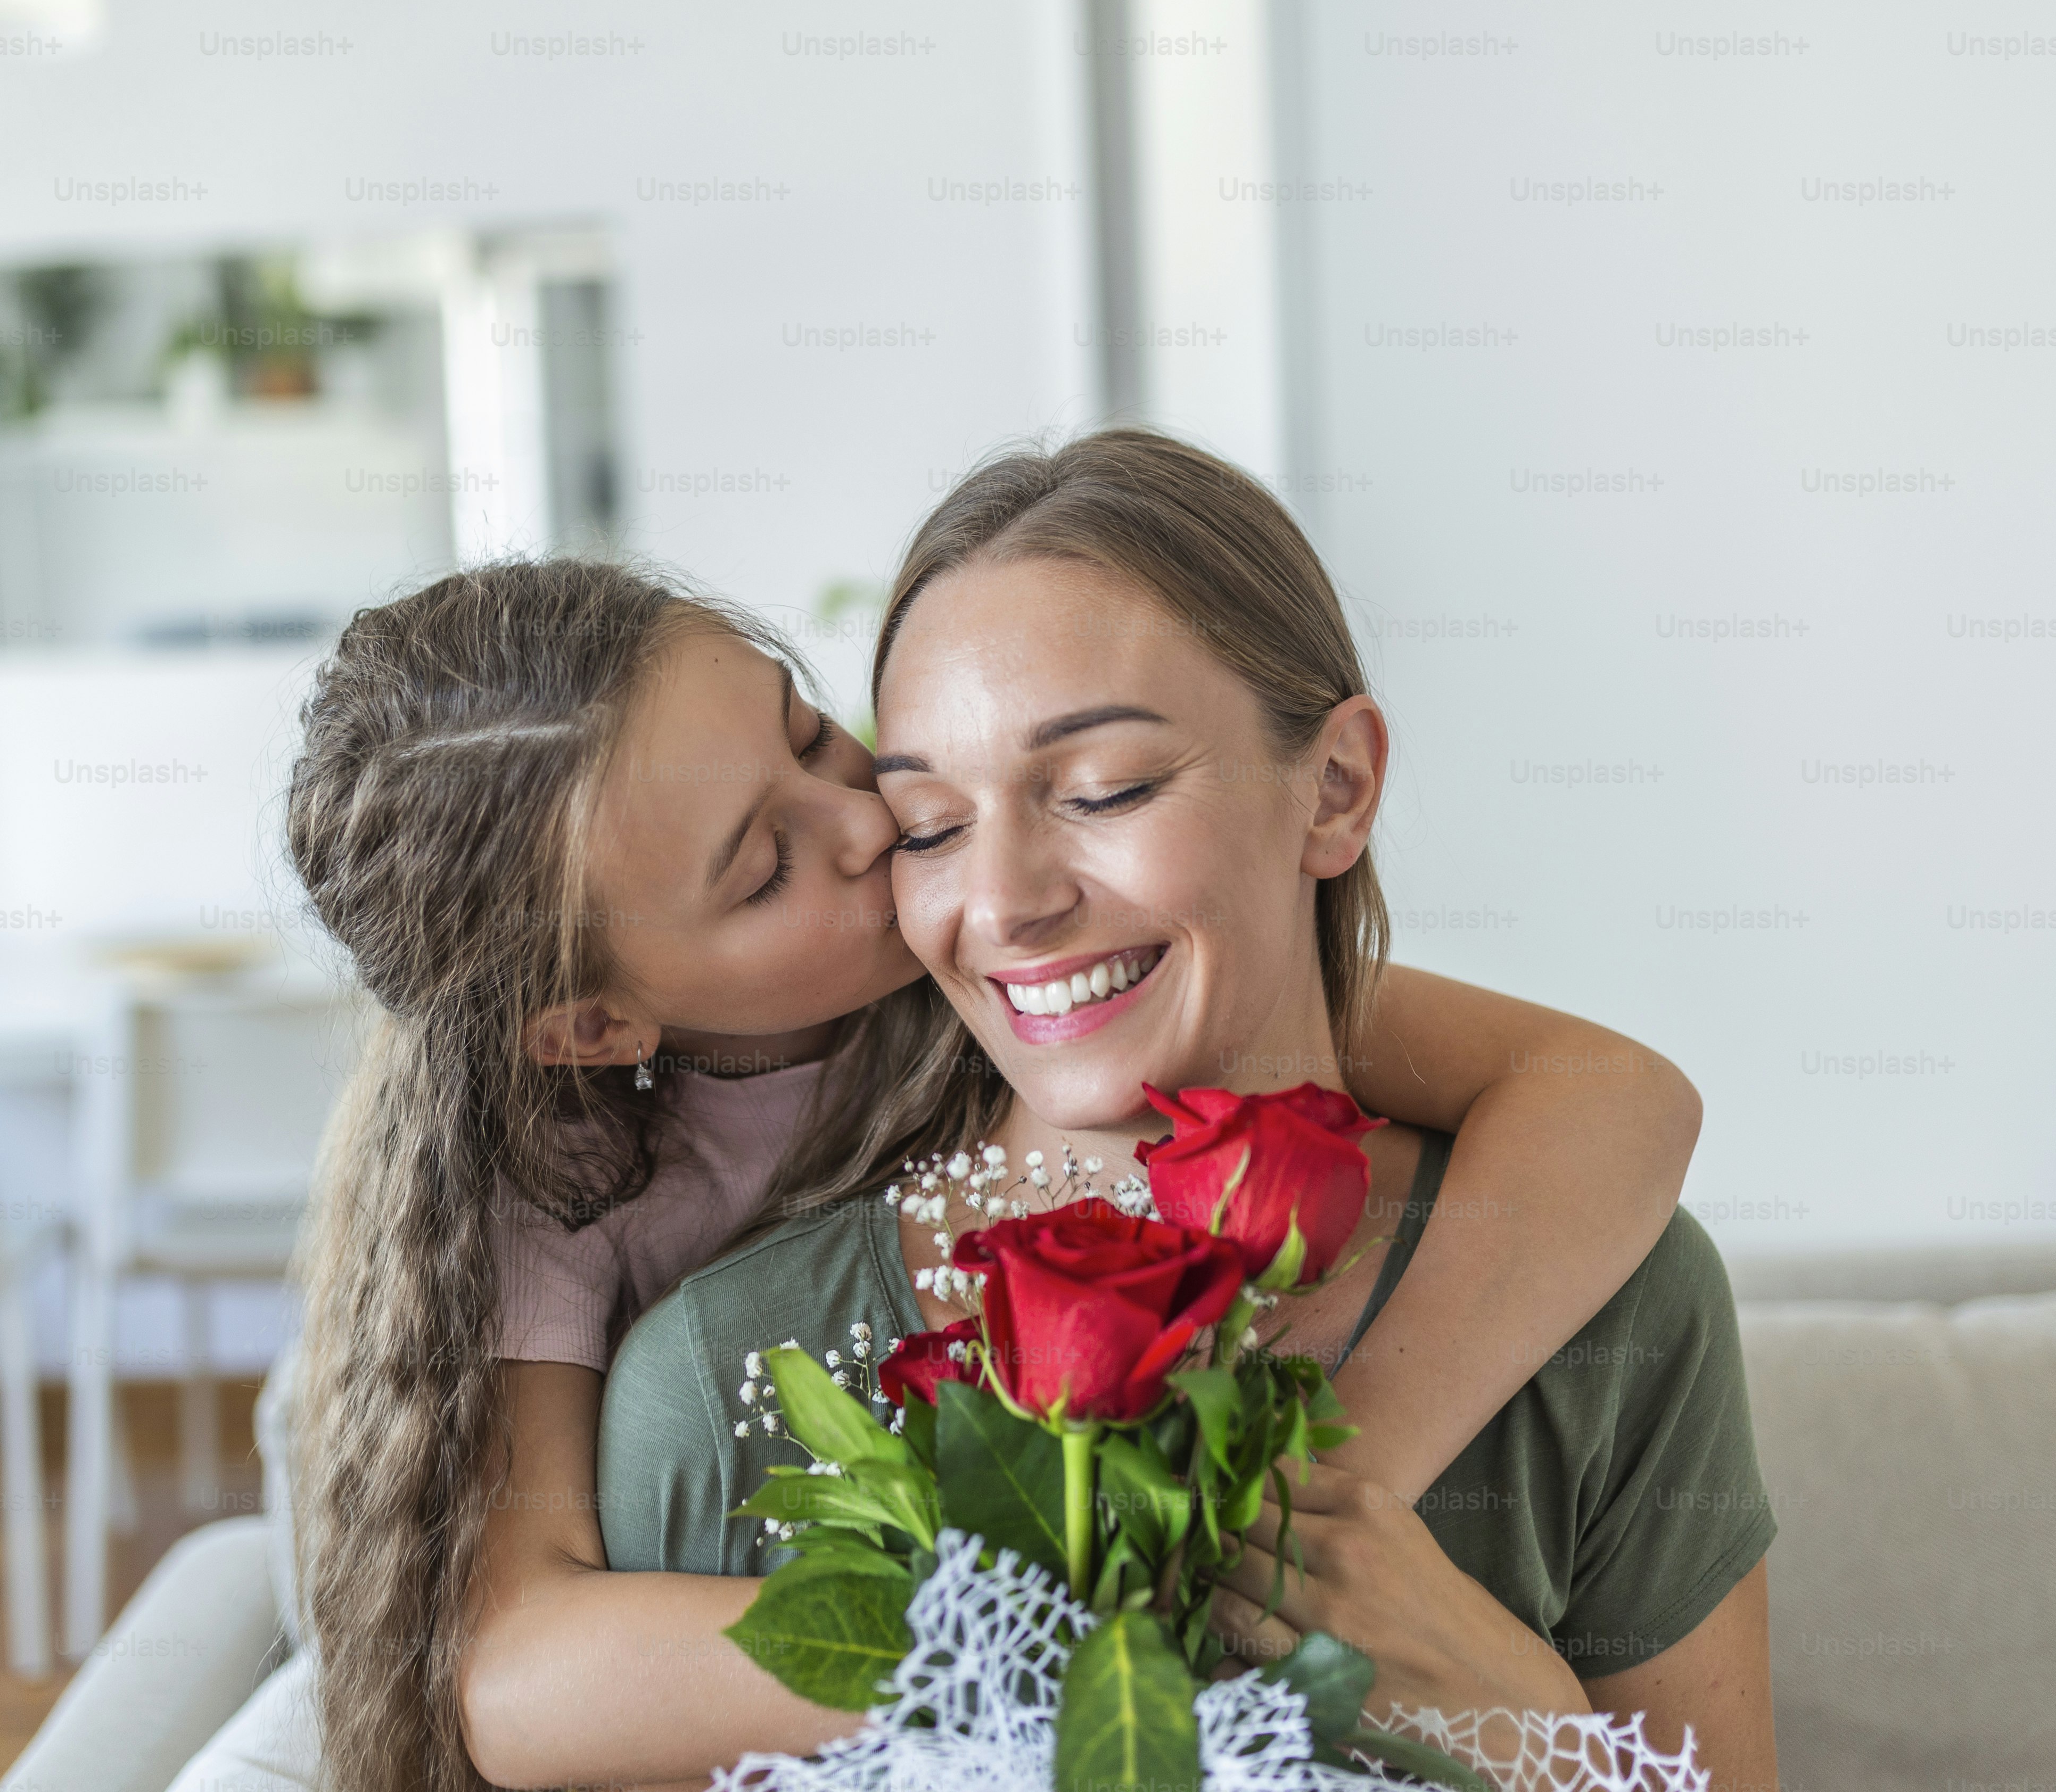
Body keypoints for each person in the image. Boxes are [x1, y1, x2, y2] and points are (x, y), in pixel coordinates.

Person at [288, 544, 1704, 1792]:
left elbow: (1611, 1096)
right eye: (766, 867)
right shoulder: (572, 1178)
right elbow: (516, 1678)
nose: (871, 828)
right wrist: (1054, 1629)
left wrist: (1331, 1498)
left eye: (815, 737)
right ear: (594, 1026)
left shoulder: (1040, 977)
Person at [596, 433, 1780, 1787]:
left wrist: (1521, 1721)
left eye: (1103, 791)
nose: (1007, 901)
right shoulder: (726, 1377)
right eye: (929, 825)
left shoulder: (1616, 1298)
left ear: (1335, 789)